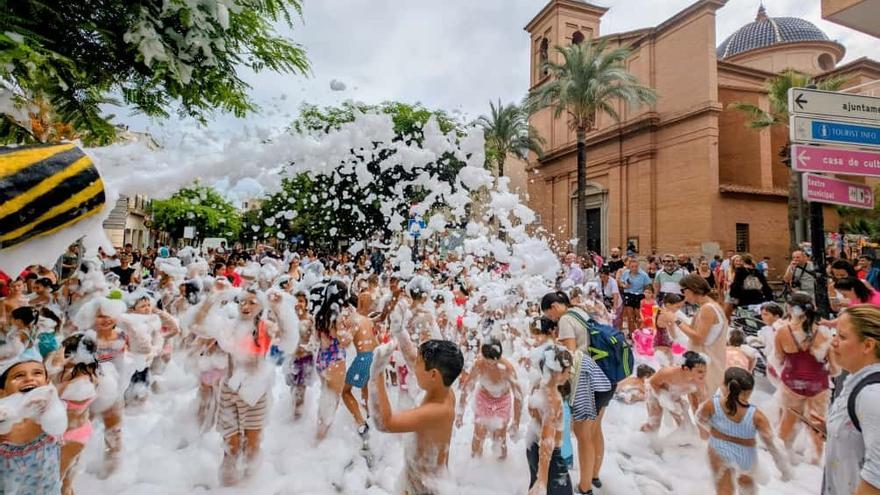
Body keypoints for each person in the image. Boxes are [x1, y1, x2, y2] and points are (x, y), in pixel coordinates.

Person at [368, 338, 464, 495]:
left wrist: (377, 373)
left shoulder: (437, 411)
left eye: (418, 363)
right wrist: (400, 333)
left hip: (426, 489)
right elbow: (413, 359)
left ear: (433, 375)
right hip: (416, 480)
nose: (414, 366)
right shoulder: (444, 390)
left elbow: (384, 423)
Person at [541, 291, 612, 494]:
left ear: (555, 307)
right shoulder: (580, 312)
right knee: (595, 430)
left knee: (583, 435)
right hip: (604, 376)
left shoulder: (565, 320)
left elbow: (570, 354)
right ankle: (594, 475)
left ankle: (585, 486)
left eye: (549, 315)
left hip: (586, 382)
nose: (552, 320)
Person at [696, 367, 792, 495]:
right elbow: (773, 444)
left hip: (719, 450)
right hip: (746, 456)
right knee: (747, 487)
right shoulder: (757, 416)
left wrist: (714, 431)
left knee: (724, 490)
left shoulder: (712, 405)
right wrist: (785, 470)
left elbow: (700, 419)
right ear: (749, 393)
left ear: (724, 386)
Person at [822, 304, 880, 495]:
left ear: (868, 345)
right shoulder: (855, 380)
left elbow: (876, 478)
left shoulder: (871, 395)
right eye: (835, 334)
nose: (834, 342)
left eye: (842, 336)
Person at [0, 346, 66, 495]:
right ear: (2, 391)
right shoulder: (4, 417)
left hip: (47, 486)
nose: (29, 378)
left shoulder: (51, 411)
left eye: (37, 373)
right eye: (18, 376)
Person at [775, 292, 832, 463]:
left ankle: (783, 458)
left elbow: (779, 358)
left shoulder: (782, 332)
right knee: (816, 423)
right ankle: (815, 460)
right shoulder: (824, 332)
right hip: (818, 384)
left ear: (791, 309)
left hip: (792, 382)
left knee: (788, 419)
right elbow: (833, 365)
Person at [456, 339, 523, 459]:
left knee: (500, 436)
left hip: (502, 401)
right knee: (479, 432)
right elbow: (467, 387)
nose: (490, 366)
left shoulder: (507, 369)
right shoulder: (479, 364)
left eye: (493, 363)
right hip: (484, 397)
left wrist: (516, 422)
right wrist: (460, 412)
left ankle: (501, 467)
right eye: (487, 362)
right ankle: (475, 465)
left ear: (499, 357)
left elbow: (518, 396)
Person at [669, 274, 728, 396]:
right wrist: (675, 316)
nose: (683, 296)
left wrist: (676, 320)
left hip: (706, 365)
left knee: (702, 403)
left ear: (690, 290)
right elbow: (693, 328)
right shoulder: (708, 306)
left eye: (683, 291)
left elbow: (698, 338)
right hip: (705, 362)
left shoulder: (708, 309)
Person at [525, 344, 574, 495]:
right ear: (559, 372)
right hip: (550, 458)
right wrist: (542, 480)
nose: (569, 375)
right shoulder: (554, 400)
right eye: (568, 371)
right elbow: (547, 441)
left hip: (531, 446)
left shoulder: (538, 384)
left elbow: (533, 412)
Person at [641, 351, 707, 433]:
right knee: (653, 424)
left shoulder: (699, 381)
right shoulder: (668, 373)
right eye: (700, 371)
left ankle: (683, 441)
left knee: (684, 422)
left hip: (674, 394)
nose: (704, 375)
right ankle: (642, 439)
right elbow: (653, 383)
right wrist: (663, 398)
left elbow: (701, 402)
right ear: (686, 369)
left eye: (705, 371)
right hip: (654, 391)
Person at [341, 293, 378, 438]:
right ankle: (370, 414)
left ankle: (361, 423)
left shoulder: (353, 319)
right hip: (374, 355)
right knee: (365, 387)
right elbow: (375, 341)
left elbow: (346, 342)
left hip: (363, 357)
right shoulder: (367, 320)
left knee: (345, 391)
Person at [619, 258, 651, 336]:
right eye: (632, 266)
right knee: (630, 316)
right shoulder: (626, 273)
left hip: (639, 295)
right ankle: (631, 333)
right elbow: (621, 282)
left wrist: (647, 295)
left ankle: (640, 332)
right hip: (628, 294)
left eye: (636, 266)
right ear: (629, 267)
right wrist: (624, 285)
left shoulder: (643, 275)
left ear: (638, 266)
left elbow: (648, 286)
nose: (634, 268)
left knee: (638, 315)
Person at [654, 293, 686, 366]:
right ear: (668, 305)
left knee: (664, 364)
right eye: (676, 307)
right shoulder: (668, 316)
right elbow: (673, 335)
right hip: (665, 342)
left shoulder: (660, 311)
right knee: (671, 363)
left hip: (659, 340)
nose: (678, 309)